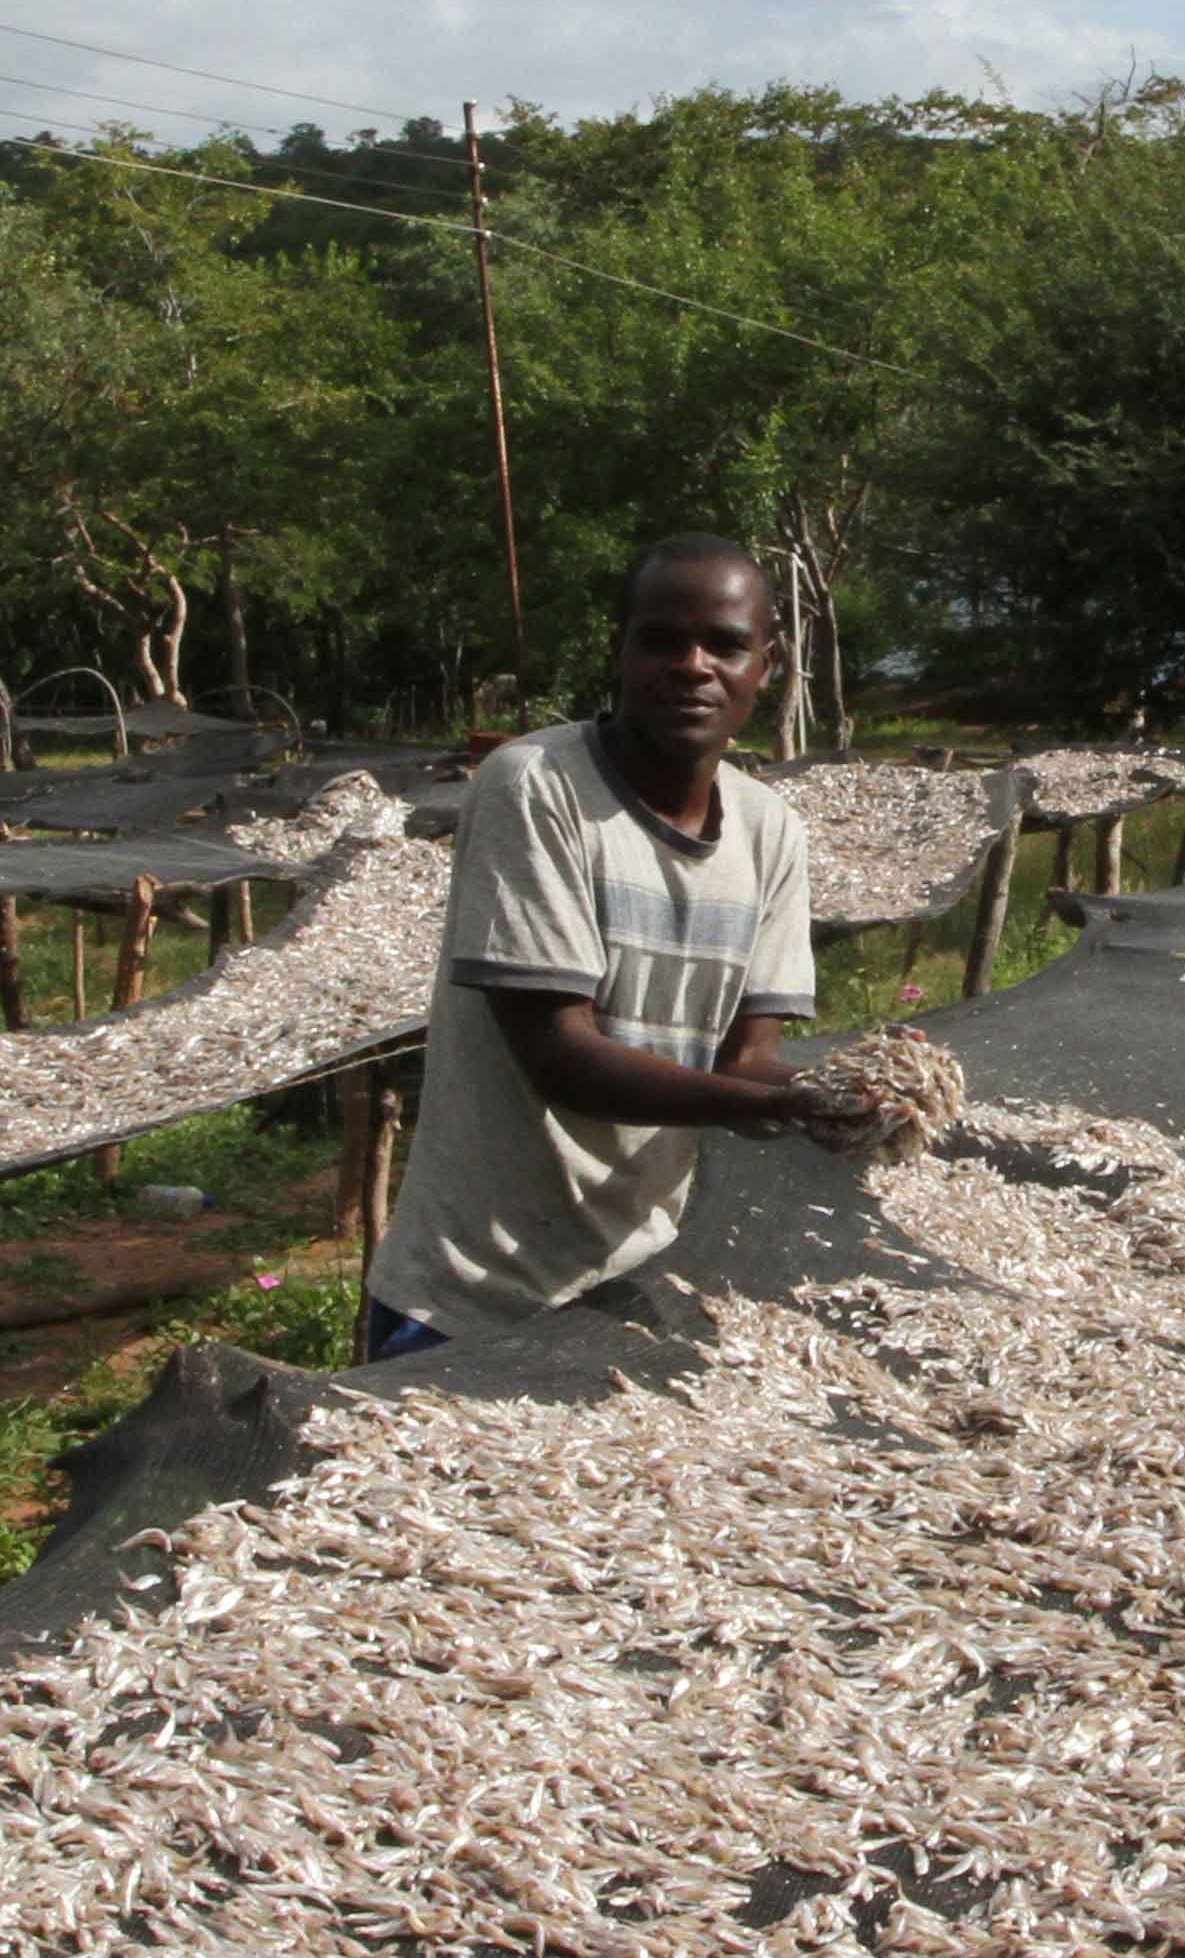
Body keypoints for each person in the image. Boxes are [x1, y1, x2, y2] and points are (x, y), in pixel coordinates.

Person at [363, 535, 873, 1360]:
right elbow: (562, 1057)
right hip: (473, 1295)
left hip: (635, 1284)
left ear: (766, 665)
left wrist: (843, 1089)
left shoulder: (770, 831)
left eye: (725, 644)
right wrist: (783, 1107)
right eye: (662, 641)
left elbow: (749, 1060)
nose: (693, 665)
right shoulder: (537, 787)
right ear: (619, 652)